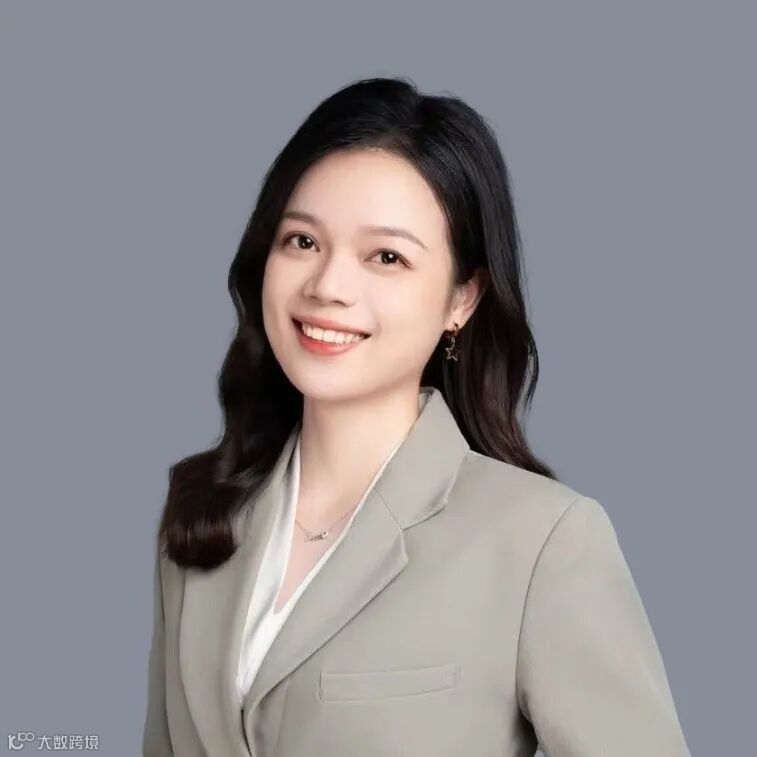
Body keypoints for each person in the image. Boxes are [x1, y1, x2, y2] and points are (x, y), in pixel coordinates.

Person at [142, 76, 691, 756]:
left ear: (462, 298)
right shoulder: (201, 511)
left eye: (386, 257)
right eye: (302, 241)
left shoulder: (540, 542)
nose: (328, 286)